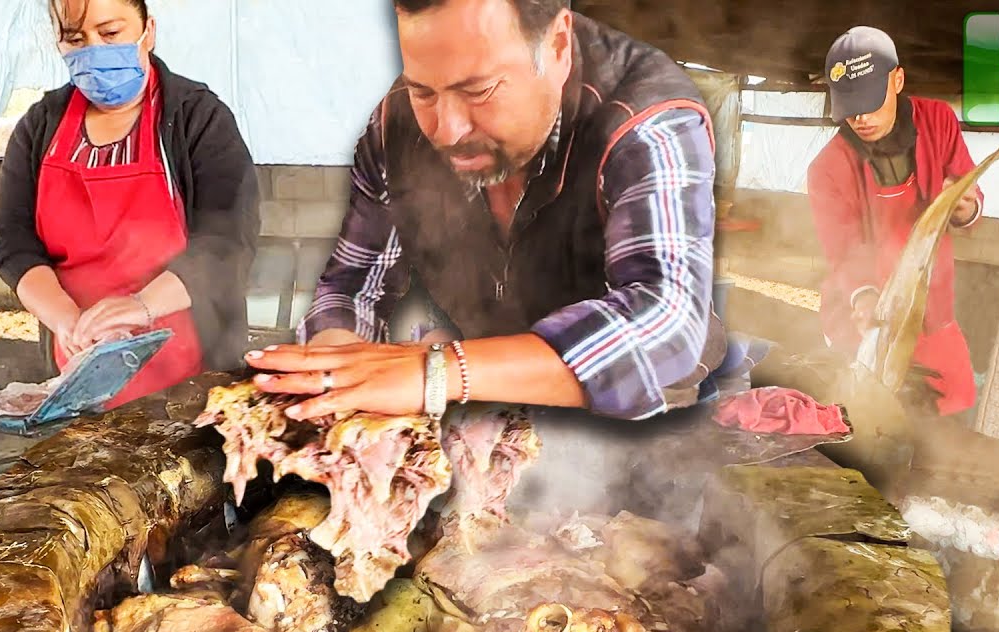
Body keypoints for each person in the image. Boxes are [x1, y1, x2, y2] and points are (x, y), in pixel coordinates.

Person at [245, 0, 726, 422]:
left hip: (642, 429)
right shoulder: (395, 127)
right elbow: (355, 280)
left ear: (557, 45)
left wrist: (435, 371)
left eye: (480, 91)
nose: (449, 130)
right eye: (424, 92)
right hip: (479, 405)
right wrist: (335, 355)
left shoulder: (646, 122)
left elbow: (668, 319)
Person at [0, 0, 258, 408]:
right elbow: (11, 241)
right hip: (77, 366)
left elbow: (226, 243)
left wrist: (141, 306)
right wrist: (64, 317)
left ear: (147, 31)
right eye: (75, 39)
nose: (94, 49)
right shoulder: (40, 126)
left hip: (191, 375)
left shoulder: (197, 118)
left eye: (111, 33)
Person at [808, 27, 983, 417]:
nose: (861, 117)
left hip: (930, 306)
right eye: (850, 105)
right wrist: (866, 297)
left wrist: (965, 207)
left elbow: (969, 192)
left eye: (870, 101)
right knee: (871, 417)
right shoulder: (827, 169)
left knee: (955, 402)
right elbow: (844, 250)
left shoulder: (938, 120)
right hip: (865, 318)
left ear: (897, 79)